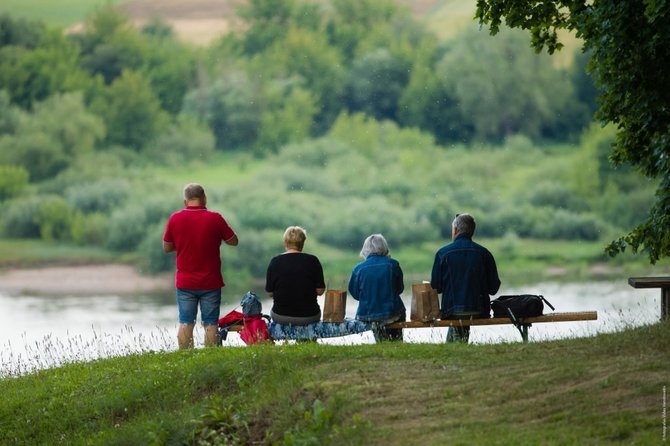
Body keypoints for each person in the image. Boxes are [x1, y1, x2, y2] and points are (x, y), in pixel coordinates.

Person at [163, 183, 238, 349]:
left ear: (185, 201)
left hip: (185, 282)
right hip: (210, 282)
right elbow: (234, 241)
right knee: (211, 323)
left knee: (186, 322)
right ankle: (210, 357)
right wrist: (215, 239)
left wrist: (183, 244)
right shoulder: (215, 218)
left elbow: (167, 247)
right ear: (204, 198)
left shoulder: (175, 218)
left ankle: (185, 357)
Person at [430, 213, 501, 343]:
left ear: (455, 230)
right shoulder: (484, 254)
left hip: (451, 311)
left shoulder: (442, 253)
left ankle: (456, 348)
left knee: (457, 322)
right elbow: (493, 288)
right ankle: (456, 347)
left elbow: (436, 287)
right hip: (479, 310)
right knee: (459, 329)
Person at [348, 234, 406, 342]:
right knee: (395, 332)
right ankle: (397, 342)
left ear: (365, 249)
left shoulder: (358, 269)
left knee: (380, 332)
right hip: (393, 314)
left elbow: (355, 294)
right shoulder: (393, 264)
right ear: (384, 247)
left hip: (368, 316)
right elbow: (400, 289)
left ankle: (381, 342)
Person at [265, 226, 325, 325]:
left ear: (285, 242)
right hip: (309, 316)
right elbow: (320, 291)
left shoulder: (275, 261)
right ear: (303, 243)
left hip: (280, 316)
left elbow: (269, 293)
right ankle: (308, 340)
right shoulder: (313, 260)